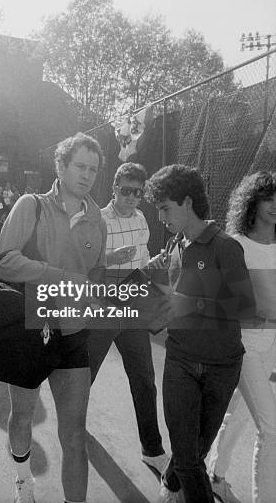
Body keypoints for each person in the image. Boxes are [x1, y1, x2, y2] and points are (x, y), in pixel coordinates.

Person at [0, 132, 107, 503]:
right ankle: (24, 478)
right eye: (80, 166)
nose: (87, 175)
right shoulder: (31, 205)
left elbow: (96, 274)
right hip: (30, 327)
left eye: (93, 169)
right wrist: (60, 277)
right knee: (22, 416)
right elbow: (4, 262)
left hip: (74, 333)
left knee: (75, 436)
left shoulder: (98, 220)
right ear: (60, 165)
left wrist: (96, 291)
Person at [144, 164, 257, 503]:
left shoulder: (224, 246)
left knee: (191, 452)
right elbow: (166, 308)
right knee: (190, 459)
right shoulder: (175, 247)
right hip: (180, 361)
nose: (161, 216)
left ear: (188, 202)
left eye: (165, 208)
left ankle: (170, 485)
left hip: (221, 369)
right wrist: (157, 282)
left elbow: (244, 308)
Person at [88, 162, 168, 474]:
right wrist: (109, 259)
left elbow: (142, 260)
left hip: (131, 305)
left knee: (145, 380)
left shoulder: (141, 218)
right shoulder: (99, 220)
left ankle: (152, 449)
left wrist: (155, 264)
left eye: (138, 192)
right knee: (85, 375)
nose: (132, 197)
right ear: (115, 189)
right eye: (126, 191)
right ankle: (72, 424)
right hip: (103, 306)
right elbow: (83, 263)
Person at [208, 171, 276, 503]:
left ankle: (215, 474)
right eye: (268, 198)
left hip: (272, 348)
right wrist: (266, 313)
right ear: (252, 202)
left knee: (243, 414)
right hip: (245, 347)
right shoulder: (237, 246)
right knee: (272, 428)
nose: (275, 205)